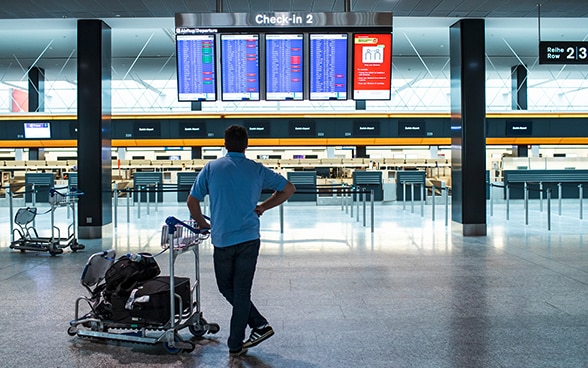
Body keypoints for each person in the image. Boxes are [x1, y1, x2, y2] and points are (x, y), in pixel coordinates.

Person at [187, 125, 296, 357]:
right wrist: (263, 207)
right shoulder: (256, 169)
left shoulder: (212, 168)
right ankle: (257, 326)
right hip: (249, 238)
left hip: (223, 239)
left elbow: (192, 202)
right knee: (241, 291)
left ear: (224, 144)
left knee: (228, 288)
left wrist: (203, 224)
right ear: (247, 145)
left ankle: (238, 341)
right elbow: (288, 189)